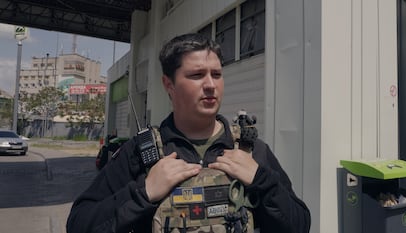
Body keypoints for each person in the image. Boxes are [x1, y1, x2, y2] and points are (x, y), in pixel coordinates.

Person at [66, 33, 311, 233]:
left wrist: (262, 181)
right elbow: (79, 223)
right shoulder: (141, 154)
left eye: (216, 74)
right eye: (196, 75)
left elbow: (300, 224)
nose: (210, 85)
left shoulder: (252, 151)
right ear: (168, 85)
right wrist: (145, 192)